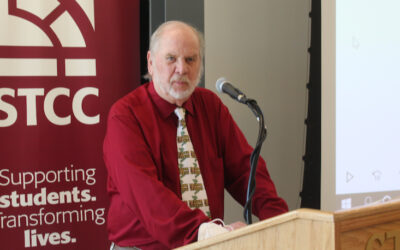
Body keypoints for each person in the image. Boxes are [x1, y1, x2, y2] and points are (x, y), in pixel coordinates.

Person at [103, 20, 288, 250]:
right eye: (171, 58)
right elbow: (148, 197)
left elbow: (245, 171)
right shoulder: (125, 116)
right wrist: (209, 232)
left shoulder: (210, 105)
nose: (182, 69)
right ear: (151, 62)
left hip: (205, 243)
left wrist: (280, 221)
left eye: (190, 59)